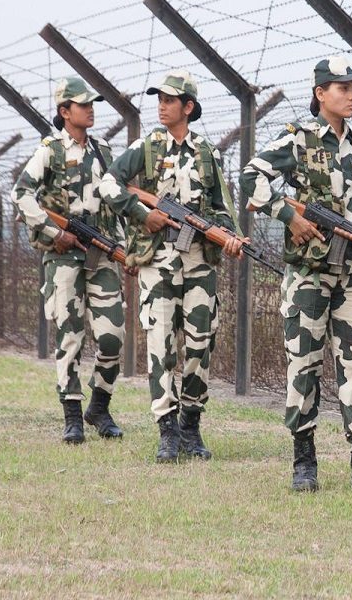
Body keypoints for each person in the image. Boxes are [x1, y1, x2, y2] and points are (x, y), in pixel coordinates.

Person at [239, 56, 352, 493]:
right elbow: (251, 177)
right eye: (342, 87)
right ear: (320, 93)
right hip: (309, 275)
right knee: (304, 365)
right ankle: (304, 461)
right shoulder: (297, 140)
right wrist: (286, 216)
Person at [99, 69, 244, 463]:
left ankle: (190, 425)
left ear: (189, 107)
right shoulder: (145, 147)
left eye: (170, 100)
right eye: (159, 99)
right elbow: (109, 185)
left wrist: (228, 236)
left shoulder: (207, 153)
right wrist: (142, 213)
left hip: (198, 261)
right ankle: (166, 429)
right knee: (161, 344)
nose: (162, 106)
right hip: (158, 261)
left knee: (200, 342)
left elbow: (223, 208)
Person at [11, 77, 128, 443]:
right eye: (82, 105)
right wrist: (52, 232)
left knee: (112, 338)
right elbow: (21, 194)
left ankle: (100, 407)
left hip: (102, 252)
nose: (90, 109)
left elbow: (118, 197)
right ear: (65, 112)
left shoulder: (105, 150)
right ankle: (73, 416)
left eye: (92, 104)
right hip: (63, 257)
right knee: (70, 337)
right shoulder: (49, 151)